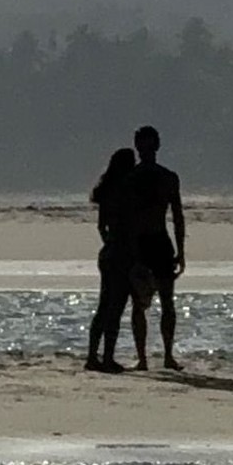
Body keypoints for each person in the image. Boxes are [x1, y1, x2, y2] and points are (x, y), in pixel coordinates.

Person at [130, 125, 186, 370]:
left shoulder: (164, 177)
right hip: (145, 243)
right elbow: (178, 216)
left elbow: (177, 215)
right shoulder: (136, 177)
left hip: (153, 243)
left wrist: (181, 249)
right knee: (147, 303)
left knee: (160, 303)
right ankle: (152, 357)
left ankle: (160, 356)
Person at [86, 146, 140, 372]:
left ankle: (92, 356)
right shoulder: (127, 192)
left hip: (109, 251)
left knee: (103, 305)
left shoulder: (107, 192)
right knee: (116, 307)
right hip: (123, 253)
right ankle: (107, 356)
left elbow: (101, 227)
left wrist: (110, 241)